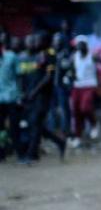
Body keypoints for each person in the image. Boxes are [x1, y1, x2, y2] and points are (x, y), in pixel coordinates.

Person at [18, 33, 66, 163]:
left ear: (44, 42)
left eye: (37, 40)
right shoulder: (34, 55)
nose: (34, 43)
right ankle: (59, 142)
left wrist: (34, 92)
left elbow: (48, 77)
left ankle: (31, 154)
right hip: (33, 95)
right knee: (36, 125)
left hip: (43, 95)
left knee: (35, 123)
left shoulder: (48, 54)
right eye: (33, 41)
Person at [70, 35, 101, 147]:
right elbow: (72, 69)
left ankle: (94, 124)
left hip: (89, 85)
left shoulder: (93, 56)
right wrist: (72, 76)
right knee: (76, 111)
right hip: (77, 86)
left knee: (85, 107)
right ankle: (78, 136)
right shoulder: (74, 57)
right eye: (77, 45)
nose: (78, 47)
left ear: (86, 46)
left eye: (81, 45)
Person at [0, 34, 23, 161]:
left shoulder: (12, 57)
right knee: (0, 129)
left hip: (12, 97)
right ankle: (1, 154)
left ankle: (19, 154)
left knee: (14, 127)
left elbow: (19, 77)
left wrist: (20, 95)